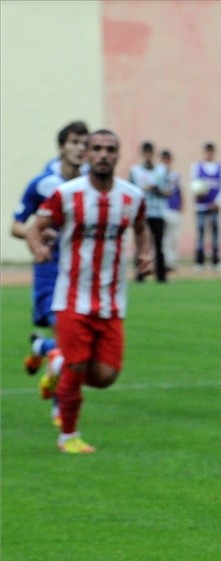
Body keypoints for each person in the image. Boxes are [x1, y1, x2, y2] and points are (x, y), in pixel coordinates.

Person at [25, 129, 154, 454]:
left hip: (111, 302)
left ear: (117, 155)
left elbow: (142, 229)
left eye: (109, 149)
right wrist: (39, 248)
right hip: (71, 299)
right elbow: (33, 227)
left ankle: (54, 360)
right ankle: (68, 436)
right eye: (96, 149)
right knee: (78, 366)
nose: (102, 154)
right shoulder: (66, 194)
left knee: (106, 376)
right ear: (87, 155)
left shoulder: (131, 197)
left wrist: (145, 253)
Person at [11, 120, 89, 425]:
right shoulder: (42, 183)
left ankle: (39, 347)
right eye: (74, 142)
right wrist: (38, 235)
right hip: (50, 272)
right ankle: (59, 407)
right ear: (61, 147)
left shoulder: (90, 185)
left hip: (80, 274)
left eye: (84, 142)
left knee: (76, 347)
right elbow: (16, 225)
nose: (80, 148)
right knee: (69, 346)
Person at [128, 141, 173, 283]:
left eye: (150, 152)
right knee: (141, 245)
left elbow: (168, 191)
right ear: (142, 154)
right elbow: (130, 191)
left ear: (153, 153)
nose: (148, 156)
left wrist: (156, 189)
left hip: (158, 213)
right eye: (145, 152)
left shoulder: (162, 171)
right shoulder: (135, 171)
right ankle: (140, 274)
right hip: (142, 214)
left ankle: (161, 276)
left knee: (159, 245)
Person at [191, 142, 221, 272]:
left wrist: (218, 201)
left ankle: (215, 261)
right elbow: (193, 184)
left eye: (211, 151)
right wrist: (198, 191)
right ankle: (199, 262)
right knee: (201, 232)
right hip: (201, 206)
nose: (209, 153)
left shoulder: (220, 167)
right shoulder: (197, 167)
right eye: (207, 151)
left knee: (215, 234)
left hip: (214, 207)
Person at [159, 149, 182, 275]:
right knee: (164, 239)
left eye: (168, 159)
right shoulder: (157, 175)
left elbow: (179, 192)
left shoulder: (175, 175)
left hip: (173, 209)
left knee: (174, 238)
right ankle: (165, 263)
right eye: (164, 159)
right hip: (162, 210)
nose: (166, 162)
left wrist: (180, 206)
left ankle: (172, 262)